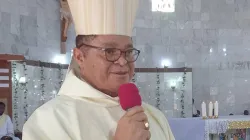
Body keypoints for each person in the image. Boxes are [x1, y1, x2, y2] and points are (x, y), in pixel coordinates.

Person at [22, 0, 175, 139]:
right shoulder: (49, 121)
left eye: (128, 52)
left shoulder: (154, 117)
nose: (122, 61)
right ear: (80, 57)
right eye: (109, 51)